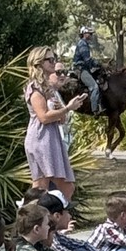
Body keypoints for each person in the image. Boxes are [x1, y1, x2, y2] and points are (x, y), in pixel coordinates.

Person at [24, 46, 87, 201]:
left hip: (52, 138)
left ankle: (51, 214)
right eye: (50, 60)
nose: (54, 63)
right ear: (38, 63)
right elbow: (44, 117)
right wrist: (68, 108)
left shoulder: (49, 88)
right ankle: (37, 214)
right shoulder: (35, 88)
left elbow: (61, 119)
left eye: (54, 59)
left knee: (59, 187)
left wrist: (64, 110)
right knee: (44, 187)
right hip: (40, 138)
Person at [72, 26, 103, 114]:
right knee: (94, 87)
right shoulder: (82, 44)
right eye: (90, 33)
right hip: (81, 69)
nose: (91, 35)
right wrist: (98, 64)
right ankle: (95, 110)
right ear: (84, 34)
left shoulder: (85, 43)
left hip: (84, 68)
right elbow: (87, 59)